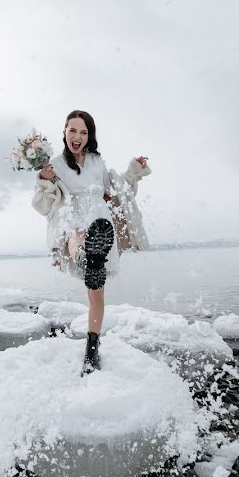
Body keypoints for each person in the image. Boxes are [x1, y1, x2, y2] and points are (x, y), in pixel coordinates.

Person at [31, 110, 151, 375]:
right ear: (64, 132)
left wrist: (134, 170)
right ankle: (83, 255)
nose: (77, 136)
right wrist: (45, 181)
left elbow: (118, 188)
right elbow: (45, 206)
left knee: (96, 293)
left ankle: (92, 350)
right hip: (70, 217)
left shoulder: (97, 162)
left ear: (89, 136)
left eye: (83, 132)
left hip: (100, 221)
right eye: (72, 130)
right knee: (76, 233)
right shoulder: (55, 165)